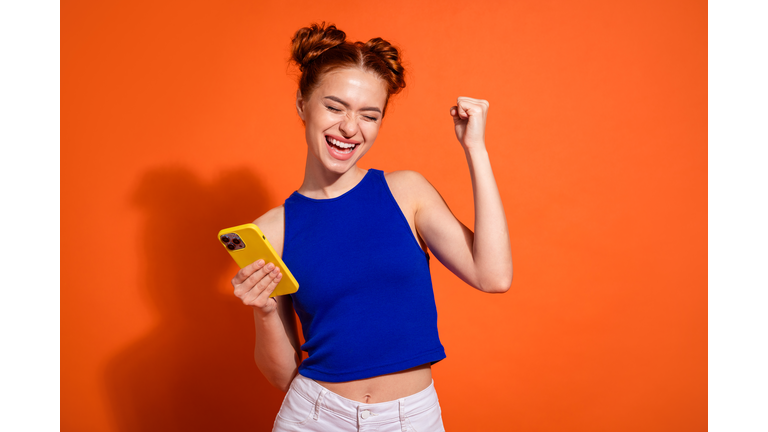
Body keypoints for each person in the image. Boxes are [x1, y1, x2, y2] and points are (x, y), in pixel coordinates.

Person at [230, 22, 513, 432]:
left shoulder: (406, 192)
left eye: (369, 115)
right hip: (313, 417)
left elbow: (494, 275)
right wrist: (265, 311)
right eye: (334, 106)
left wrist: (476, 149)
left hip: (411, 418)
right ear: (302, 103)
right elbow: (281, 377)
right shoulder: (272, 230)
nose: (350, 128)